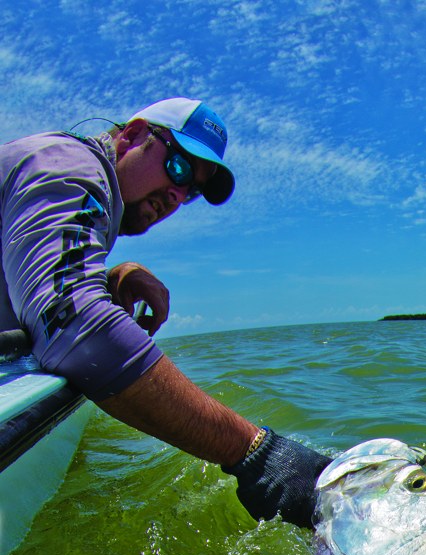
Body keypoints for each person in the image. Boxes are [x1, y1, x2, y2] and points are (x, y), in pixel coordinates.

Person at [0, 97, 329, 528]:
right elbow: (72, 324)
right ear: (134, 134)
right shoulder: (69, 166)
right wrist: (255, 453)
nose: (176, 194)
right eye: (177, 166)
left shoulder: (86, 191)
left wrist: (111, 276)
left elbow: (37, 291)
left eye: (190, 191)